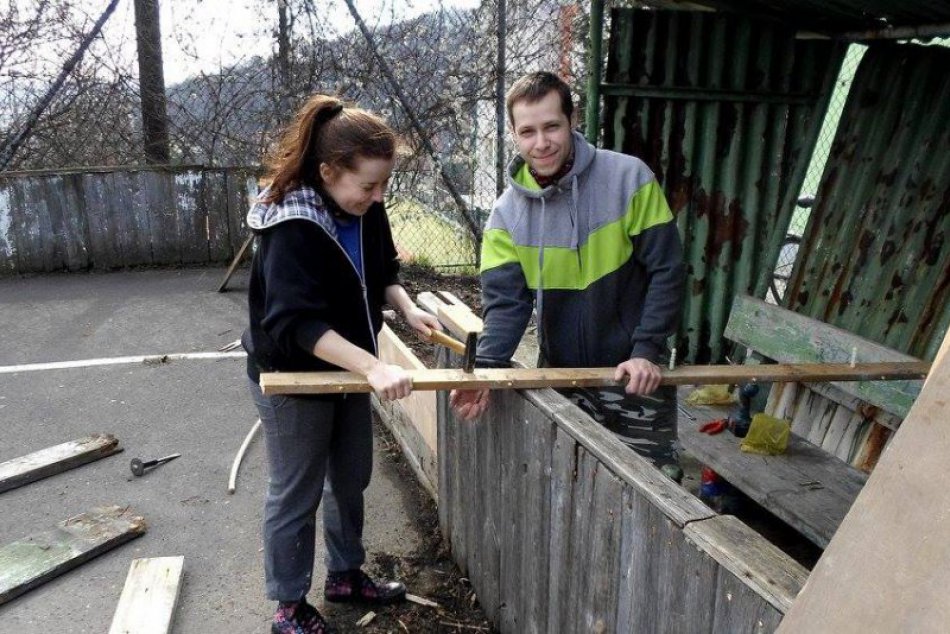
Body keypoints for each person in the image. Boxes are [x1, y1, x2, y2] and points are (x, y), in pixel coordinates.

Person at [242, 94, 442, 634]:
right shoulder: (292, 226)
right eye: (368, 186)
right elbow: (296, 324)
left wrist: (406, 307)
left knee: (350, 477)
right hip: (293, 375)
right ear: (329, 172)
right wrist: (374, 368)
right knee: (296, 491)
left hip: (348, 366)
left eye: (383, 186)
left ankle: (345, 575)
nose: (378, 197)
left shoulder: (365, 208)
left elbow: (383, 269)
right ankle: (288, 604)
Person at [450, 72, 686, 476]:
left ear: (572, 119)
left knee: (656, 487)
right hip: (561, 373)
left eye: (551, 127)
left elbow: (668, 270)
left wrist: (646, 350)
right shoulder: (505, 216)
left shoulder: (630, 179)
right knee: (572, 487)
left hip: (635, 373)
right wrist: (487, 369)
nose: (540, 143)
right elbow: (506, 305)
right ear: (514, 133)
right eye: (527, 131)